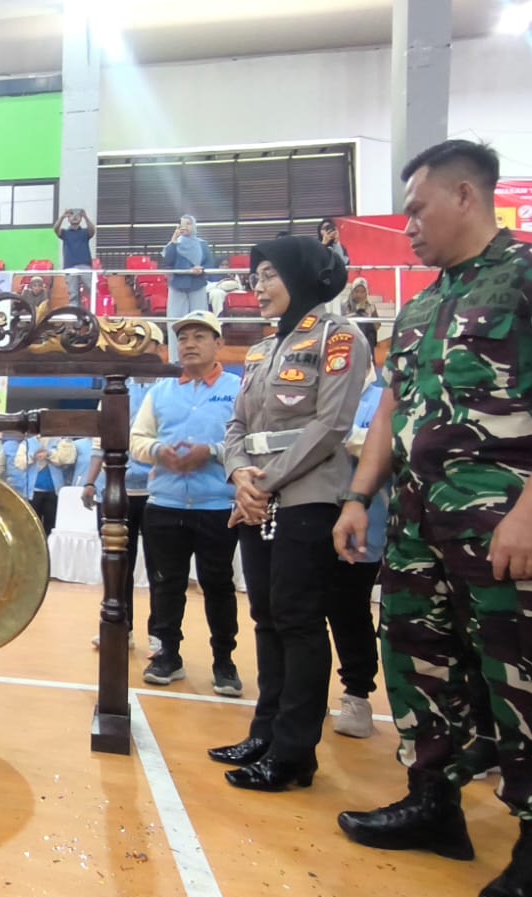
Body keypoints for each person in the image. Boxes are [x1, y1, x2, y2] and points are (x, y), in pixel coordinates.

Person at [333, 140, 532, 897]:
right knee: (422, 666)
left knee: (531, 679)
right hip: (420, 531)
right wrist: (360, 495)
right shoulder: (426, 303)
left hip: (510, 532)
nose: (409, 226)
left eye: (417, 208)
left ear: (466, 196)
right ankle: (436, 804)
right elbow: (392, 408)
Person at [212, 237, 369, 792]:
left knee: (300, 622)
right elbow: (235, 428)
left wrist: (265, 483)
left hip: (307, 498)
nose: (256, 286)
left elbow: (330, 427)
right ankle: (265, 734)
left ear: (303, 276)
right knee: (268, 619)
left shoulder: (340, 338)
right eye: (254, 276)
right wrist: (239, 477)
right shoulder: (258, 350)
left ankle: (295, 753)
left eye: (269, 274)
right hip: (256, 497)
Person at [128, 311, 241, 695]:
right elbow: (137, 439)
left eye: (199, 336)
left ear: (218, 344)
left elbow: (248, 442)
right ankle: (168, 656)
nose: (189, 344)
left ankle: (224, 661)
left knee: (218, 585)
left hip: (217, 506)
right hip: (165, 503)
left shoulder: (238, 389)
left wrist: (211, 452)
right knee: (166, 584)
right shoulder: (160, 391)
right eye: (183, 338)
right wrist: (159, 451)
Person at [82, 326, 165, 651]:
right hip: (116, 494)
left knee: (160, 567)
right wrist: (90, 482)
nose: (138, 350)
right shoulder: (116, 390)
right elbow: (98, 443)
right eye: (131, 344)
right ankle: (119, 626)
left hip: (158, 493)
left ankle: (159, 634)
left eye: (145, 344)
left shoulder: (169, 389)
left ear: (158, 348)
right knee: (117, 566)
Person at [329, 369, 389, 739]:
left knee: (349, 611)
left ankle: (357, 694)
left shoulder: (383, 397)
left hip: (367, 524)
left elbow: (390, 444)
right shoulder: (320, 392)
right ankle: (307, 689)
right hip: (310, 517)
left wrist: (339, 438)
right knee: (300, 612)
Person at [161, 215, 217, 363]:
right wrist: (173, 241)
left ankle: (201, 357)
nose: (185, 227)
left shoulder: (202, 245)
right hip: (177, 286)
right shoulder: (174, 244)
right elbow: (168, 261)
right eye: (182, 224)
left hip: (197, 285)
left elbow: (210, 264)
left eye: (188, 224)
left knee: (199, 322)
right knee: (175, 323)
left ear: (194, 226)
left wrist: (201, 269)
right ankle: (175, 360)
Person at [5, 434, 76, 536]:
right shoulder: (27, 443)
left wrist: (49, 454)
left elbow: (68, 459)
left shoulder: (60, 441)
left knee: (51, 527)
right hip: (33, 493)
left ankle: (50, 549)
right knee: (33, 526)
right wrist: (33, 457)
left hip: (54, 493)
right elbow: (19, 463)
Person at [54, 208, 95, 307]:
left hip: (85, 265)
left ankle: (96, 312)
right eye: (71, 215)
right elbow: (56, 230)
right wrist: (62, 216)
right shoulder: (65, 233)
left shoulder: (85, 232)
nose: (75, 217)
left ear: (81, 218)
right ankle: (75, 315)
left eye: (78, 215)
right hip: (70, 266)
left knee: (92, 290)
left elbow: (92, 231)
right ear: (68, 218)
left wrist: (85, 216)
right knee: (73, 294)